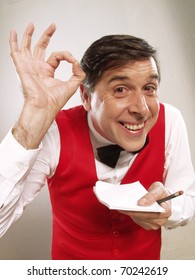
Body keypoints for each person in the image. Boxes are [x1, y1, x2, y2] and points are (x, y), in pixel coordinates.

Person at [0, 23, 194, 260]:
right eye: (121, 89)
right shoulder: (54, 130)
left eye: (149, 88)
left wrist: (168, 207)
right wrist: (32, 118)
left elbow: (188, 200)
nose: (142, 109)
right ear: (86, 96)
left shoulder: (170, 120)